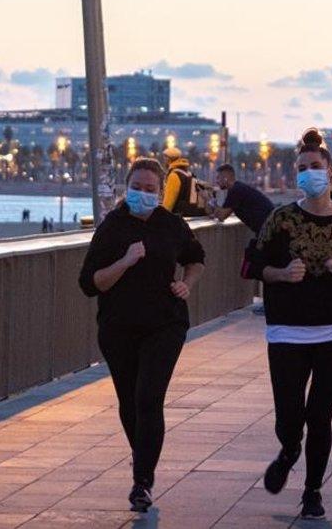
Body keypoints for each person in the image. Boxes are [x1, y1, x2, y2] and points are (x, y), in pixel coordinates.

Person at [244, 129, 332, 521]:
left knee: (319, 414)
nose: (309, 174)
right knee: (289, 416)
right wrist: (280, 274)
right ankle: (288, 450)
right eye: (302, 168)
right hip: (287, 330)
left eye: (315, 167)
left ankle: (312, 492)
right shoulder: (281, 219)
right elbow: (250, 265)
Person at [78, 157, 205, 513]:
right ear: (127, 187)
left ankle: (142, 481)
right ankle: (143, 454)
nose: (143, 194)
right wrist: (125, 261)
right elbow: (90, 283)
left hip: (165, 324)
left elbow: (197, 258)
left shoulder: (172, 225)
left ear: (161, 191)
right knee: (129, 402)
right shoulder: (112, 227)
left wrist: (186, 283)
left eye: (151, 190)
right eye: (138, 188)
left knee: (148, 397)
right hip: (118, 328)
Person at [211, 163, 274, 235]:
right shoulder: (237, 188)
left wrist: (208, 198)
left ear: (225, 178)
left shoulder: (235, 190)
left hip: (269, 231)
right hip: (268, 228)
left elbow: (221, 216)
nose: (216, 181)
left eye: (218, 177)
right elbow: (220, 212)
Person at [161, 147, 211, 216]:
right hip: (191, 213)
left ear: (168, 159)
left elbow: (169, 202)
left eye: (164, 158)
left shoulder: (174, 175)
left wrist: (162, 216)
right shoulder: (188, 173)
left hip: (179, 216)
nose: (163, 161)